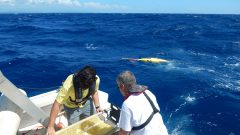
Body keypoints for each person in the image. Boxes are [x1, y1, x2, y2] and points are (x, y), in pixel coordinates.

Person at [46, 66, 103, 135]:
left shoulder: (95, 80)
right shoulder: (69, 84)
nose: (83, 89)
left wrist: (97, 107)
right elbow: (57, 104)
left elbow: (94, 92)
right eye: (82, 87)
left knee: (91, 122)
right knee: (74, 130)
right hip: (71, 107)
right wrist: (51, 126)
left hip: (86, 102)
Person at [115, 71, 168, 135]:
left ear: (122, 86)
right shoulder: (148, 93)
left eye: (118, 87)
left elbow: (123, 133)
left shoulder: (127, 104)